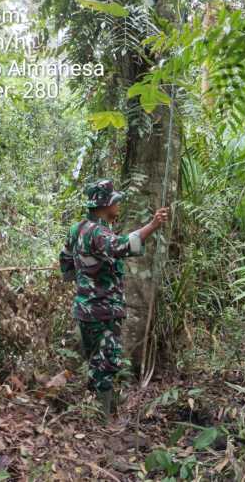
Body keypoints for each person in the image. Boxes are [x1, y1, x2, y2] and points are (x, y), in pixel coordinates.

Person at [59, 179, 169, 419]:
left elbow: (65, 261)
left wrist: (83, 280)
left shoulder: (77, 229)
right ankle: (103, 418)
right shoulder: (97, 233)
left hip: (85, 308)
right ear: (105, 205)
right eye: (115, 202)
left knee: (96, 361)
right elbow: (121, 246)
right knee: (106, 362)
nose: (118, 205)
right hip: (102, 310)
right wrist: (153, 225)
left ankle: (98, 410)